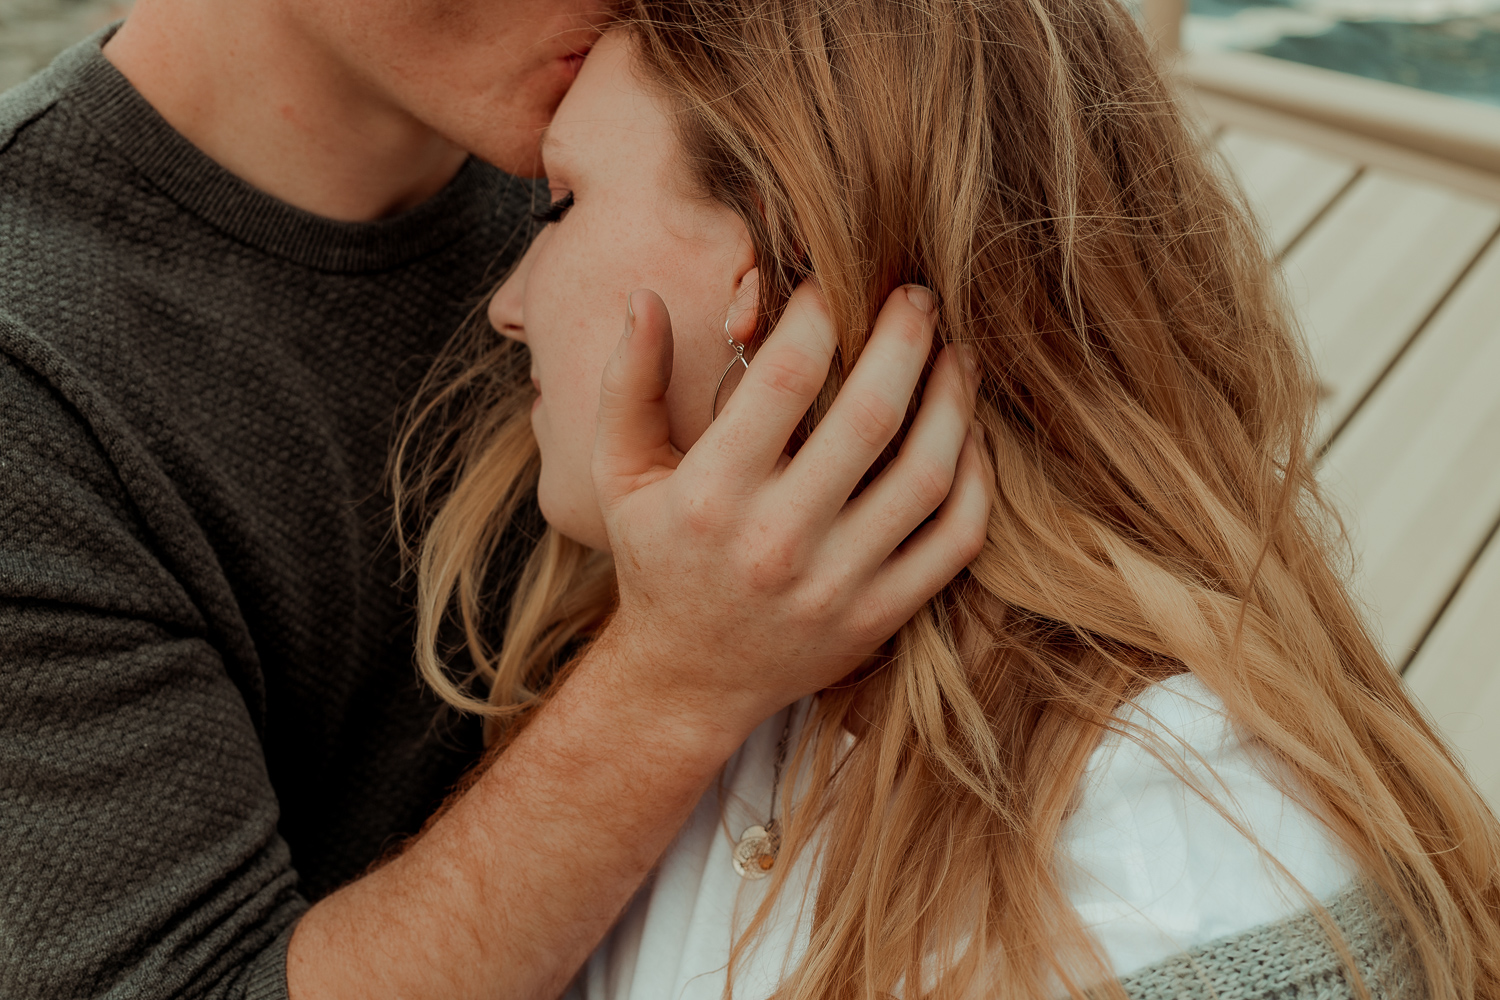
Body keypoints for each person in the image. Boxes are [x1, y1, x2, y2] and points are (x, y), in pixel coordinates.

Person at [406, 3, 1500, 998]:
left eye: (560, 205)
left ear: (775, 272)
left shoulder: (1179, 873)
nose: (507, 304)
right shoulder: (724, 687)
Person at [0, 2, 989, 999]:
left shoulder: (658, 111)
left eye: (566, 205)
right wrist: (672, 679)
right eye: (558, 204)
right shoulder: (34, 363)